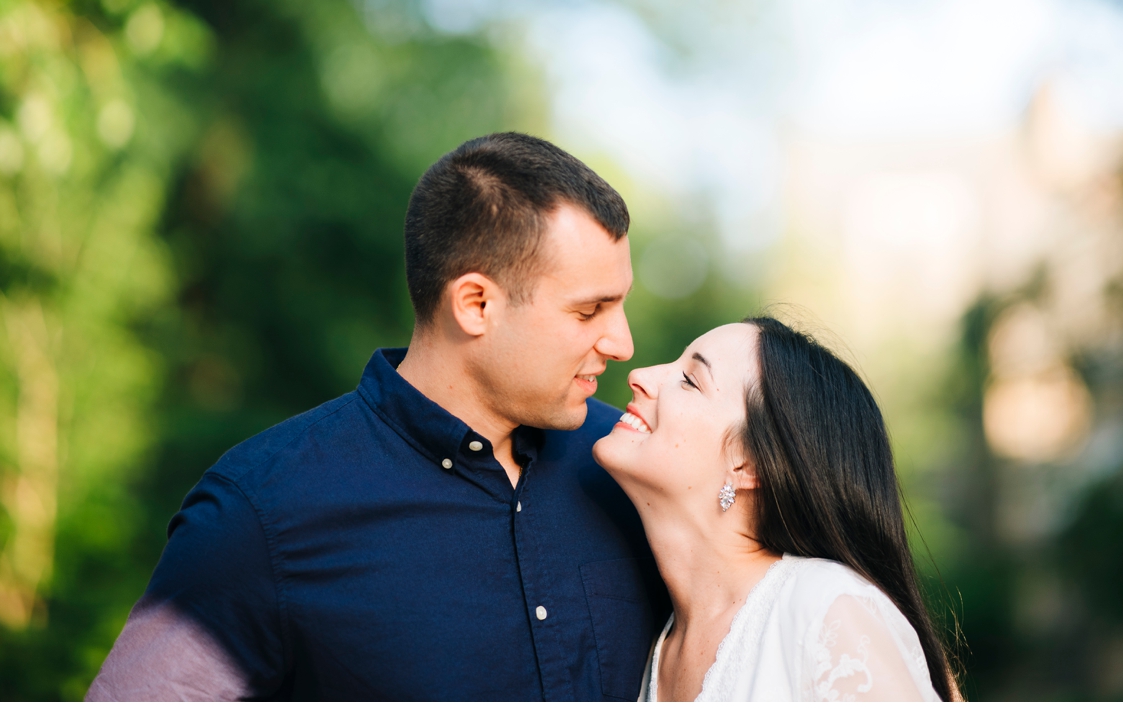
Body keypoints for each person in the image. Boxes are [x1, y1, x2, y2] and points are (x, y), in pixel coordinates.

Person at [87, 132, 669, 700]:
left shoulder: (631, 465)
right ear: (476, 304)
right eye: (590, 310)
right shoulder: (262, 513)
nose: (622, 342)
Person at [594, 316, 960, 702]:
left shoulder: (825, 612)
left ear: (747, 463)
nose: (639, 376)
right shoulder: (654, 649)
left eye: (689, 380)